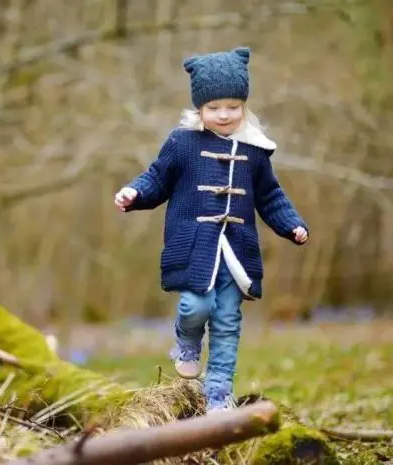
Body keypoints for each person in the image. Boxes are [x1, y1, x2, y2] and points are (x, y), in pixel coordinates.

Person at [113, 47, 308, 412]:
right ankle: (187, 341)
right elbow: (157, 178)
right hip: (194, 247)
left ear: (244, 107)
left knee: (228, 322)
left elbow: (271, 197)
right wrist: (133, 192)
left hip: (237, 252)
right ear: (200, 108)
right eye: (215, 107)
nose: (224, 115)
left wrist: (292, 224)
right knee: (195, 305)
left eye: (233, 107)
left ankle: (218, 393)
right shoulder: (182, 143)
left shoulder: (254, 151)